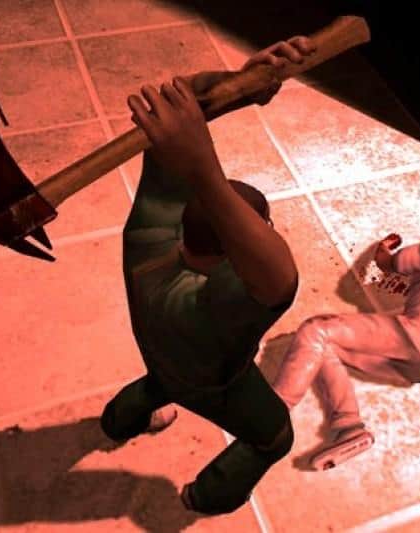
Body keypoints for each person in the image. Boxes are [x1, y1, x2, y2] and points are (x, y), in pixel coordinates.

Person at [99, 37, 316, 515]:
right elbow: (278, 274)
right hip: (218, 386)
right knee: (273, 438)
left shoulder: (149, 235)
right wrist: (205, 171)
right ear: (235, 253)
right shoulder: (226, 297)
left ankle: (117, 423)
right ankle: (209, 495)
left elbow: (180, 108)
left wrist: (240, 85)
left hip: (160, 356)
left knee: (159, 383)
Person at [272, 234, 420, 470]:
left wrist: (383, 248)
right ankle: (349, 427)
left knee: (316, 330)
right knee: (325, 348)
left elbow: (388, 263)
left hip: (417, 338)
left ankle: (272, 412)